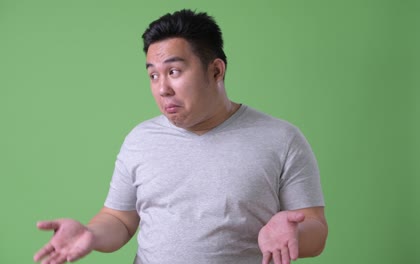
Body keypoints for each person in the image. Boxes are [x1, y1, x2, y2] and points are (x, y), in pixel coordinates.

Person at [34, 9, 328, 264]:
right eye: (153, 75)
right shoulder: (140, 140)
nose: (162, 88)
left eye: (174, 71)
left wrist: (294, 231)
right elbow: (120, 220)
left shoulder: (281, 139)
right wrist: (91, 234)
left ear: (215, 71)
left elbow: (316, 231)